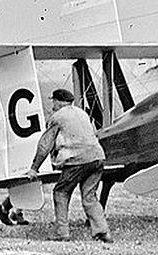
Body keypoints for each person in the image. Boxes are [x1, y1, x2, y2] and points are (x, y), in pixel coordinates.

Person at [28, 88, 111, 243]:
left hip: (77, 159)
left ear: (59, 101)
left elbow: (45, 145)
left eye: (53, 101)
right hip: (98, 157)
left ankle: (62, 232)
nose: (52, 105)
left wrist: (34, 168)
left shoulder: (57, 117)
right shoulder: (82, 114)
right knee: (90, 196)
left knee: (61, 192)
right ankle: (102, 231)